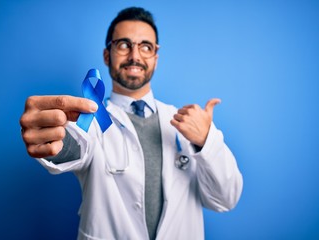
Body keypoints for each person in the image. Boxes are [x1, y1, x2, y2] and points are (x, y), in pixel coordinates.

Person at [20, 7, 243, 240]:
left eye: (145, 47)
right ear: (107, 55)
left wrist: (206, 140)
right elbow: (73, 145)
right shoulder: (94, 118)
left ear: (155, 58)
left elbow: (226, 198)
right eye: (124, 45)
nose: (135, 56)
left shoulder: (188, 125)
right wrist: (49, 136)